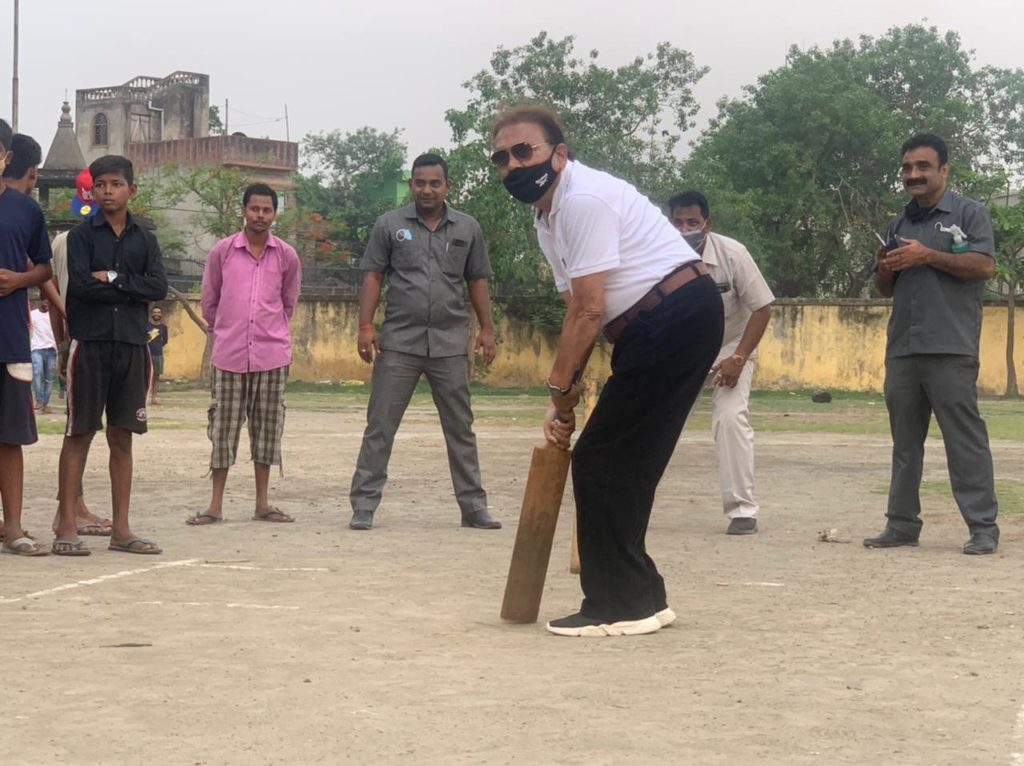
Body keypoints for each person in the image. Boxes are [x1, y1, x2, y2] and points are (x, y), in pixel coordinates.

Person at [491, 106, 724, 636]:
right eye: (502, 159)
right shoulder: (546, 219)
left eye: (523, 152)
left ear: (559, 154)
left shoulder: (583, 200)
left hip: (674, 315)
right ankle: (641, 593)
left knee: (603, 457)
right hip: (656, 326)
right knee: (625, 459)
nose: (512, 166)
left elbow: (588, 310)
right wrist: (566, 396)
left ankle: (620, 602)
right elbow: (582, 308)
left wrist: (558, 394)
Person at [864, 133, 999, 555]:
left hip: (950, 347)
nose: (913, 174)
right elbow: (884, 289)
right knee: (905, 443)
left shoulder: (969, 213)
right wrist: (886, 267)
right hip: (903, 347)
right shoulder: (898, 223)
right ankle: (902, 524)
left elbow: (984, 265)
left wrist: (928, 256)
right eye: (907, 167)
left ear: (944, 169)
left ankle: (982, 528)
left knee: (965, 440)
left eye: (922, 166)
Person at [348, 153, 499, 531]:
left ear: (448, 186)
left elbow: (478, 280)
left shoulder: (468, 228)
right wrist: (365, 326)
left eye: (435, 183)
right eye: (419, 182)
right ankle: (364, 505)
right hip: (398, 342)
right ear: (411, 185)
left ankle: (473, 507)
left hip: (450, 344)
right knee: (380, 425)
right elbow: (373, 277)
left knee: (460, 428)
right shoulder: (390, 225)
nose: (427, 189)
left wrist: (487, 329)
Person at [52, 154, 168, 556]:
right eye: (101, 185)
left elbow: (158, 284)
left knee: (123, 438)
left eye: (116, 184)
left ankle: (122, 529)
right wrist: (130, 287)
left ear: (131, 190)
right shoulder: (81, 237)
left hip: (133, 345)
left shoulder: (146, 238)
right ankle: (67, 524)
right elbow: (81, 287)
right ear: (92, 190)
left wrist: (114, 278)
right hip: (92, 345)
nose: (107, 191)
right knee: (79, 433)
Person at [186, 183, 301, 526]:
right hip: (229, 354)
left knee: (267, 428)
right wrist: (224, 329)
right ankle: (215, 505)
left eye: (267, 210)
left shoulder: (286, 255)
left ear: (274, 214)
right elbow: (210, 300)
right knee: (223, 428)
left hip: (272, 354)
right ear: (243, 210)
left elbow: (288, 302)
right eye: (255, 209)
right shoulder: (222, 252)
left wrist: (271, 330)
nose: (260, 216)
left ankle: (263, 503)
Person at [668, 191, 775, 535]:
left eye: (693, 223)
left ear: (707, 224)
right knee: (645, 416)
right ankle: (626, 501)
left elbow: (762, 308)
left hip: (732, 347)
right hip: (683, 349)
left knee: (730, 417)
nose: (685, 229)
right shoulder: (659, 256)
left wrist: (739, 358)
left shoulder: (733, 254)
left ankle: (742, 510)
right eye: (678, 222)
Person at [0, 118, 53, 556]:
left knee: (10, 437)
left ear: (5, 157)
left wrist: (19, 279)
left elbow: (44, 268)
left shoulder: (25, 211)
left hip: (10, 340)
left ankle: (14, 527)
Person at [29, 298, 57, 414]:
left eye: (49, 303)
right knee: (37, 373)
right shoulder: (33, 314)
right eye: (46, 302)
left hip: (51, 349)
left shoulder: (54, 316)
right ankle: (39, 400)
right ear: (41, 301)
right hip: (37, 348)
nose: (47, 305)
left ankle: (45, 403)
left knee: (49, 379)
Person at [147, 305, 169, 404]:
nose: (156, 314)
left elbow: (165, 341)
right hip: (146, 354)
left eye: (158, 312)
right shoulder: (146, 325)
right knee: (145, 376)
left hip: (158, 354)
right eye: (155, 312)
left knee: (156, 376)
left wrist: (158, 345)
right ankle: (145, 397)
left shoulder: (163, 327)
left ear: (161, 314)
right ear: (152, 314)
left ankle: (154, 398)